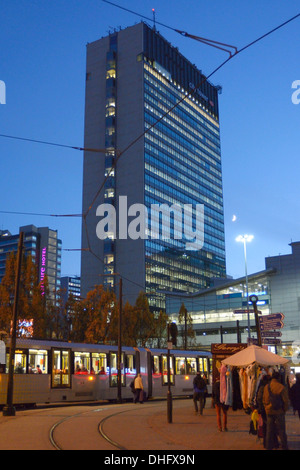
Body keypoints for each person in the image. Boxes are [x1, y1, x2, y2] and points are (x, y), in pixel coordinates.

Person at [263, 371, 289, 450]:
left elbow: (264, 400)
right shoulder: (281, 387)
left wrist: (266, 407)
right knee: (281, 430)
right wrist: (284, 409)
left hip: (269, 411)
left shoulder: (266, 387)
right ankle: (284, 447)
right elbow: (286, 401)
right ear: (278, 378)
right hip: (279, 411)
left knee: (269, 431)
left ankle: (268, 447)